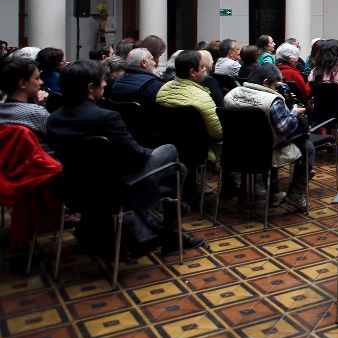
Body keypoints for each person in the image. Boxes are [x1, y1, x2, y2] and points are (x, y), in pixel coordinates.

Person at [46, 60, 204, 256]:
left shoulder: (53, 119)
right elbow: (137, 156)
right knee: (172, 156)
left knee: (174, 169)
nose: (106, 83)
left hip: (74, 189)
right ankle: (172, 232)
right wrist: (151, 152)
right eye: (102, 81)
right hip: (116, 189)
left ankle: (165, 226)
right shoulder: (106, 117)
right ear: (90, 87)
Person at [222, 64, 314, 212]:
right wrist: (294, 113)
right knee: (307, 146)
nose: (276, 89)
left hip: (236, 148)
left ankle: (269, 192)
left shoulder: (232, 94)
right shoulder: (272, 101)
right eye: (275, 85)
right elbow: (284, 128)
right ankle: (296, 194)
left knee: (260, 137)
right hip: (266, 150)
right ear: (265, 82)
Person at [155, 50, 223, 170]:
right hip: (197, 151)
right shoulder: (202, 97)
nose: (205, 69)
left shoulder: (163, 89)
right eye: (202, 67)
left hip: (168, 147)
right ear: (192, 72)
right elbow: (217, 133)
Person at [0, 58, 51, 149]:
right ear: (23, 83)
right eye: (37, 78)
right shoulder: (38, 112)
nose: (41, 82)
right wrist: (41, 106)